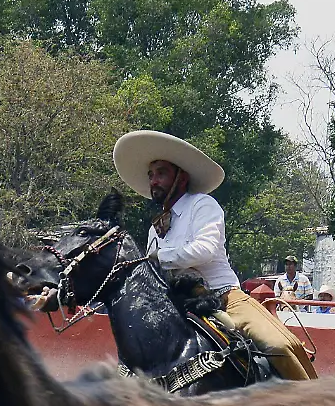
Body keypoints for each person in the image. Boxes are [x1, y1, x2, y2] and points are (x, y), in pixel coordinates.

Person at [110, 130, 316, 380]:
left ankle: (314, 404)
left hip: (225, 298)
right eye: (151, 175)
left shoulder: (203, 205)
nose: (154, 181)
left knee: (279, 346)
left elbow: (204, 250)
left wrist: (155, 258)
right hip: (178, 305)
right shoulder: (154, 228)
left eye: (161, 173)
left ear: (181, 178)